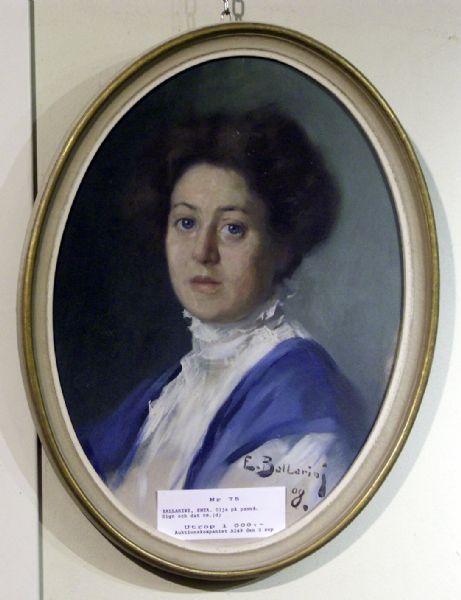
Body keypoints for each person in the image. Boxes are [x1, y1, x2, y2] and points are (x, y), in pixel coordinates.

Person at [79, 109, 367, 525]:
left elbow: (242, 534)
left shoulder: (302, 394)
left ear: (282, 246)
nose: (202, 251)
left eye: (233, 228)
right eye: (186, 222)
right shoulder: (165, 394)